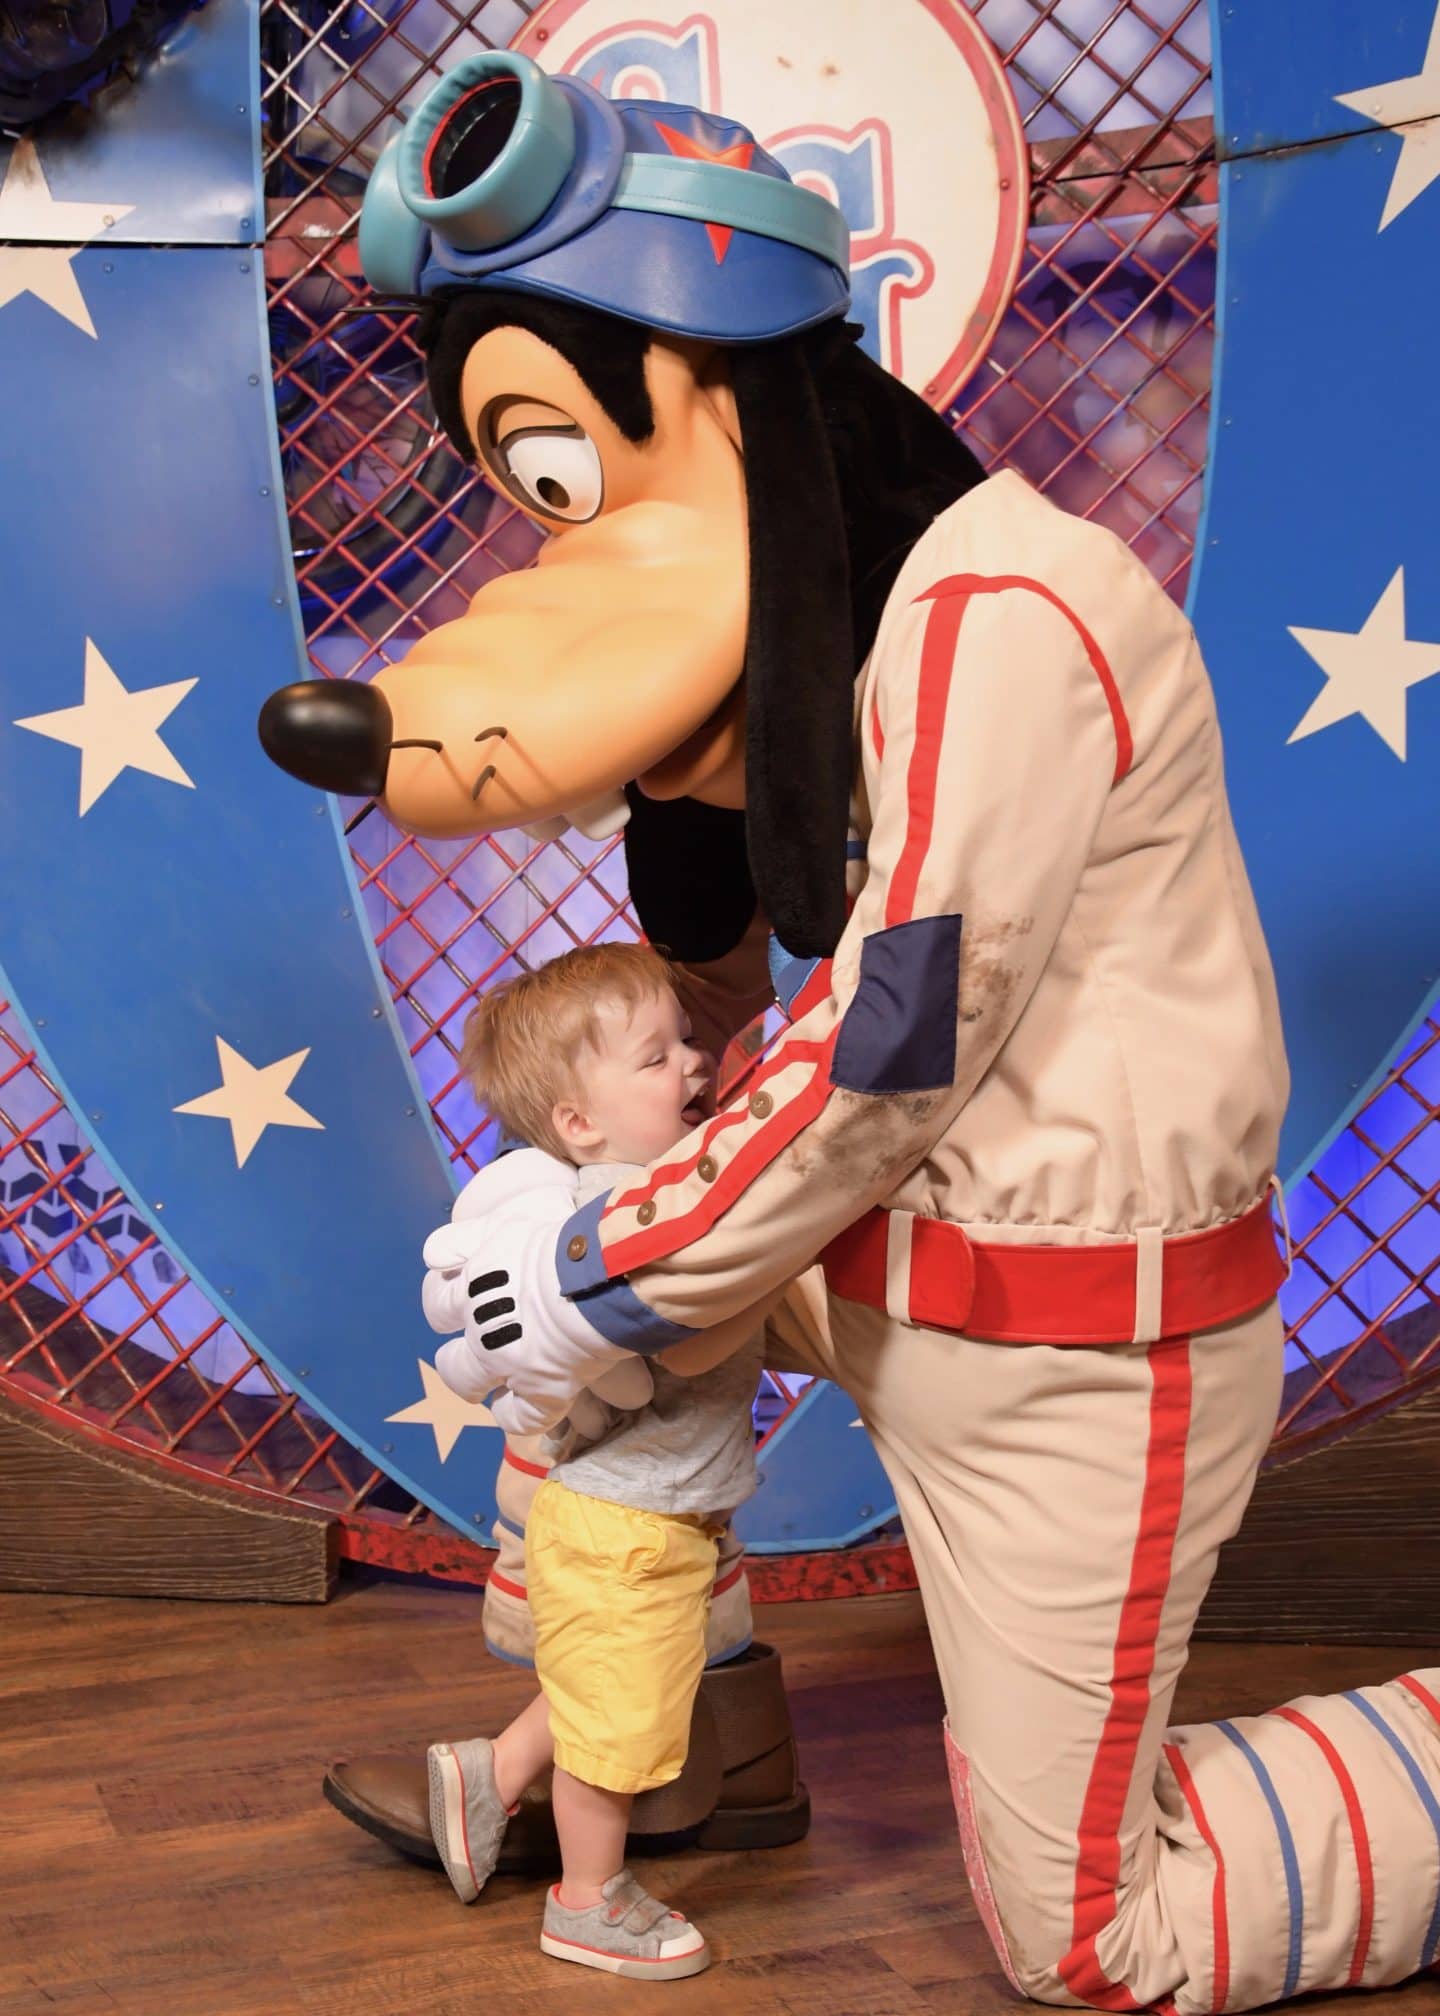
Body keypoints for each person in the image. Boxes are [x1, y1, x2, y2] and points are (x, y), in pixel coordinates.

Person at [261, 50, 1440, 2009]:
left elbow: (893, 1044)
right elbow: (726, 1006)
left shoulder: (1008, 616)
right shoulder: (847, 637)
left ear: (732, 394)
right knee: (582, 1385)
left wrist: (600, 1259)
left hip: (1072, 1337)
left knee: (1094, 1940)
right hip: (886, 1267)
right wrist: (556, 1224)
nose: (567, 532)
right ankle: (663, 1738)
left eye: (569, 461)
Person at [422, 939, 778, 1981]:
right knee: (618, 1726)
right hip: (628, 1520)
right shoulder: (631, 1209)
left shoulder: (650, 1178)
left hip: (647, 1509)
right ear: (579, 1124)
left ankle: (490, 1775)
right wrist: (788, 1232)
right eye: (657, 1056)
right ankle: (586, 1903)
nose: (695, 1066)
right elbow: (696, 1328)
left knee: (616, 1680)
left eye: (685, 1043)